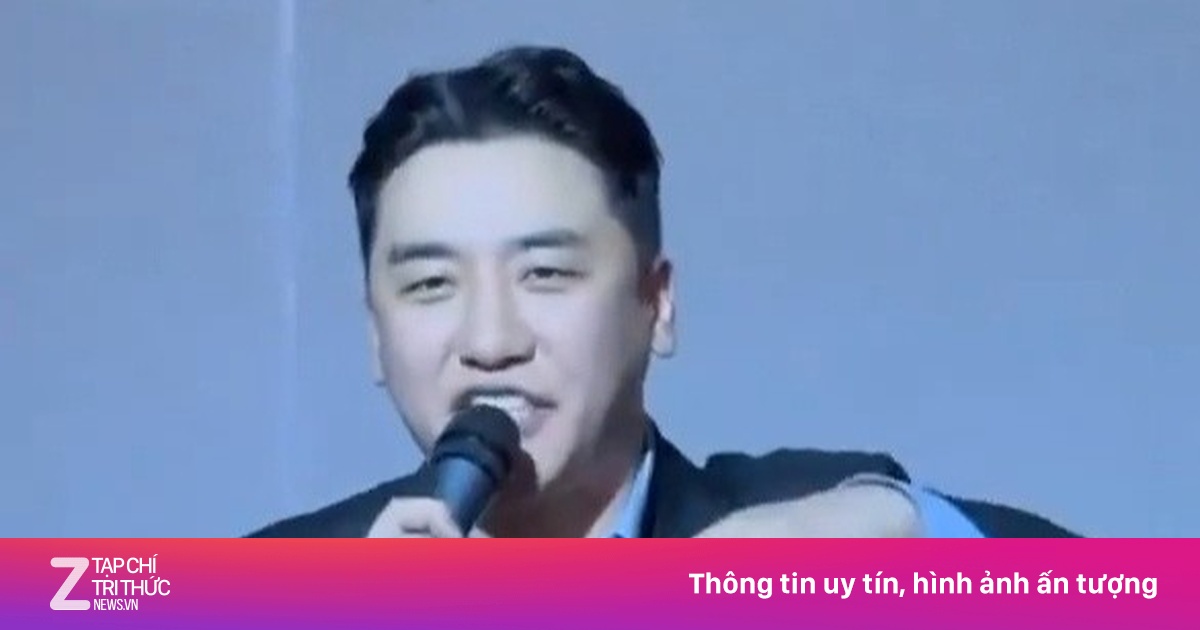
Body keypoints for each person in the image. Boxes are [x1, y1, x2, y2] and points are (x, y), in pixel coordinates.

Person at [249, 45, 1077, 539]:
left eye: (545, 273)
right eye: (431, 283)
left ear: (658, 302)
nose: (491, 340)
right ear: (375, 334)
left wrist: (905, 526)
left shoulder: (816, 526)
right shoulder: (284, 583)